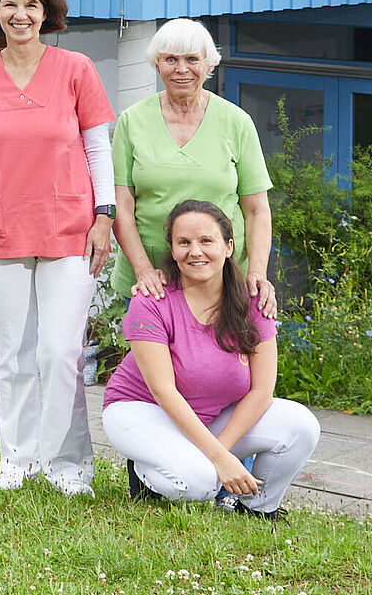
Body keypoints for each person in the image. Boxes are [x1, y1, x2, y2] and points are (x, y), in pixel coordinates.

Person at [0, 0, 115, 496]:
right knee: (13, 352)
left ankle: (68, 466)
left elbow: (96, 146)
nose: (20, 15)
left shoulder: (76, 69)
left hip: (70, 224)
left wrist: (104, 215)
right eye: (10, 5)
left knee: (60, 352)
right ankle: (16, 461)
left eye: (31, 5)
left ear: (47, 12)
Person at [103, 200, 320, 519]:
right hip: (143, 410)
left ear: (229, 247)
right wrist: (218, 459)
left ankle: (257, 507)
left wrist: (221, 455)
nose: (195, 251)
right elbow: (164, 392)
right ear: (173, 251)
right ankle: (145, 476)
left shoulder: (254, 302)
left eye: (206, 241)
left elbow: (262, 392)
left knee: (301, 426)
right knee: (200, 483)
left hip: (209, 417)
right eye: (184, 242)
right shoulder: (151, 302)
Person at [112, 18, 276, 317]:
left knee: (220, 362)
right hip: (152, 282)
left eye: (192, 59)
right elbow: (121, 205)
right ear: (156, 65)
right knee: (151, 363)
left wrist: (257, 272)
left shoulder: (236, 122)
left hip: (221, 279)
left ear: (209, 65)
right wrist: (143, 270)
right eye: (170, 59)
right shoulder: (131, 121)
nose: (181, 69)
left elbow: (256, 209)